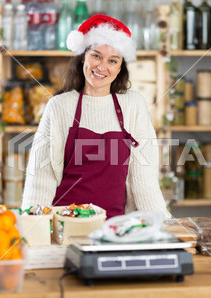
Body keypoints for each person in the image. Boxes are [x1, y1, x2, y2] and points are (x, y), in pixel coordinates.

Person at [21, 15, 171, 219]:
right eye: (96, 56)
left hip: (116, 227)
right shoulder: (60, 106)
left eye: (112, 60)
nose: (102, 67)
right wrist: (34, 227)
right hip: (66, 225)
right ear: (84, 56)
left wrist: (160, 224)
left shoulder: (133, 105)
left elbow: (143, 177)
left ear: (119, 68)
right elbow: (41, 176)